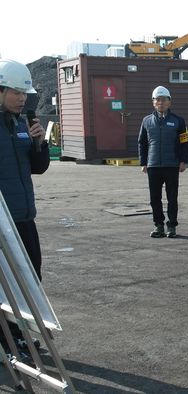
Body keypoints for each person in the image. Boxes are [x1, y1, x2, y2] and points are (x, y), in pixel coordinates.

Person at [0, 59, 49, 353]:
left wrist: (39, 144)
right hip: (2, 221)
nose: (21, 98)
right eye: (16, 92)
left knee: (31, 278)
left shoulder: (22, 123)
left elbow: (38, 168)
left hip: (24, 218)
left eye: (24, 93)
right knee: (5, 286)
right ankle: (8, 340)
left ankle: (18, 333)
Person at [138, 86, 188, 238]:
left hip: (171, 165)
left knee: (172, 197)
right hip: (153, 165)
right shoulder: (147, 121)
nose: (161, 102)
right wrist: (143, 162)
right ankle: (159, 225)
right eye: (158, 100)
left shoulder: (178, 121)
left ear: (169, 102)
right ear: (153, 102)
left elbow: (185, 142)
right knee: (155, 198)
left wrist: (183, 161)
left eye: (164, 100)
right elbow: (142, 142)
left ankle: (172, 226)